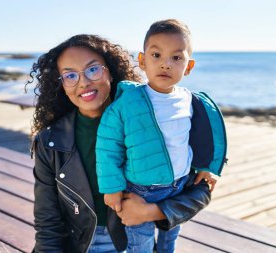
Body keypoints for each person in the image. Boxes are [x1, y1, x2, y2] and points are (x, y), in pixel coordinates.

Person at [27, 34, 212, 253]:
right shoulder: (49, 141)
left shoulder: (157, 119)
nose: (84, 81)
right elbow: (48, 222)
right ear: (61, 84)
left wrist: (152, 212)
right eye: (70, 75)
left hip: (133, 242)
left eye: (93, 69)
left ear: (110, 72)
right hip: (78, 245)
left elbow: (200, 194)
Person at [96, 20, 227, 253]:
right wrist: (111, 187)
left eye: (176, 58)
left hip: (180, 184)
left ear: (188, 66)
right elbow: (108, 146)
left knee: (170, 237)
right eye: (156, 55)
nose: (166, 64)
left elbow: (202, 137)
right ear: (143, 61)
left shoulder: (190, 100)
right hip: (140, 190)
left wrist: (207, 166)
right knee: (140, 243)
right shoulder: (127, 102)